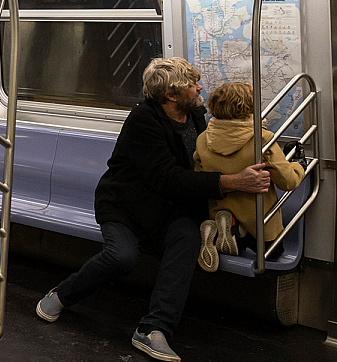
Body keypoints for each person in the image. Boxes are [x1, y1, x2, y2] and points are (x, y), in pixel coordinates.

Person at [35, 57, 271, 362]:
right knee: (122, 257)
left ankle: (153, 328)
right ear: (171, 95)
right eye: (192, 84)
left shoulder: (197, 114)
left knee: (188, 241)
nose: (199, 87)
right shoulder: (143, 122)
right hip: (126, 206)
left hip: (172, 209)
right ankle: (62, 295)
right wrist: (232, 181)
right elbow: (168, 178)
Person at [194, 81, 304, 271]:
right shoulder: (262, 139)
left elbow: (199, 176)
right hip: (259, 223)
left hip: (218, 207)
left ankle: (225, 231)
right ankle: (239, 233)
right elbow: (288, 181)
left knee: (233, 230)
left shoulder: (203, 138)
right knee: (274, 251)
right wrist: (298, 166)